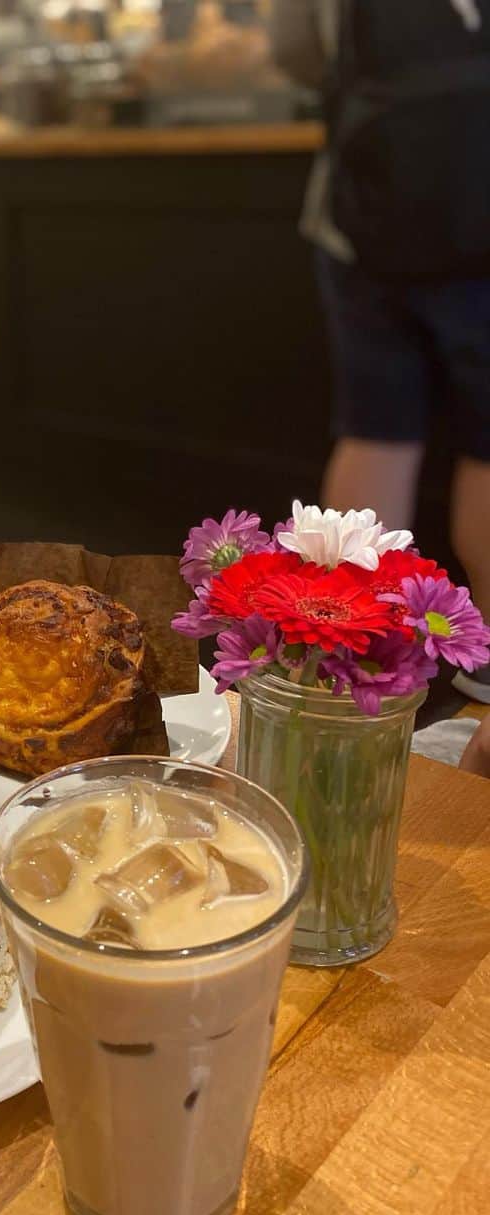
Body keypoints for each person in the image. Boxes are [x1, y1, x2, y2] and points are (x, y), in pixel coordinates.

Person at [270, 0, 490, 703]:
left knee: (374, 433)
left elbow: (295, 50)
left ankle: (350, 665)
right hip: (479, 203)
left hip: (362, 214)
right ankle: (482, 671)